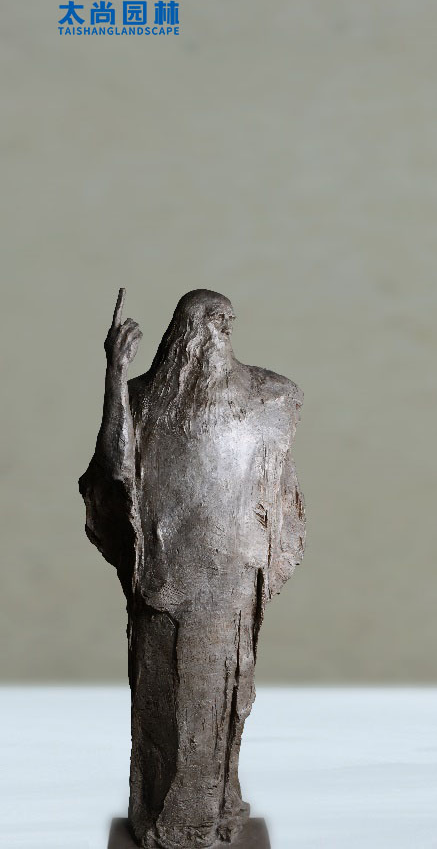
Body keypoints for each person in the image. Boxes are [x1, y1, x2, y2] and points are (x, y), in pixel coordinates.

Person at [80, 289, 305, 849]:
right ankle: (164, 815)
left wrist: (271, 552)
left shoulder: (270, 396)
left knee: (229, 692)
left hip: (234, 568)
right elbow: (114, 469)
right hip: (166, 573)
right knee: (167, 696)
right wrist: (114, 376)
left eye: (226, 322)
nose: (218, 332)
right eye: (207, 321)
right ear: (181, 332)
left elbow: (281, 488)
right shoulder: (142, 400)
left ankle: (218, 804)